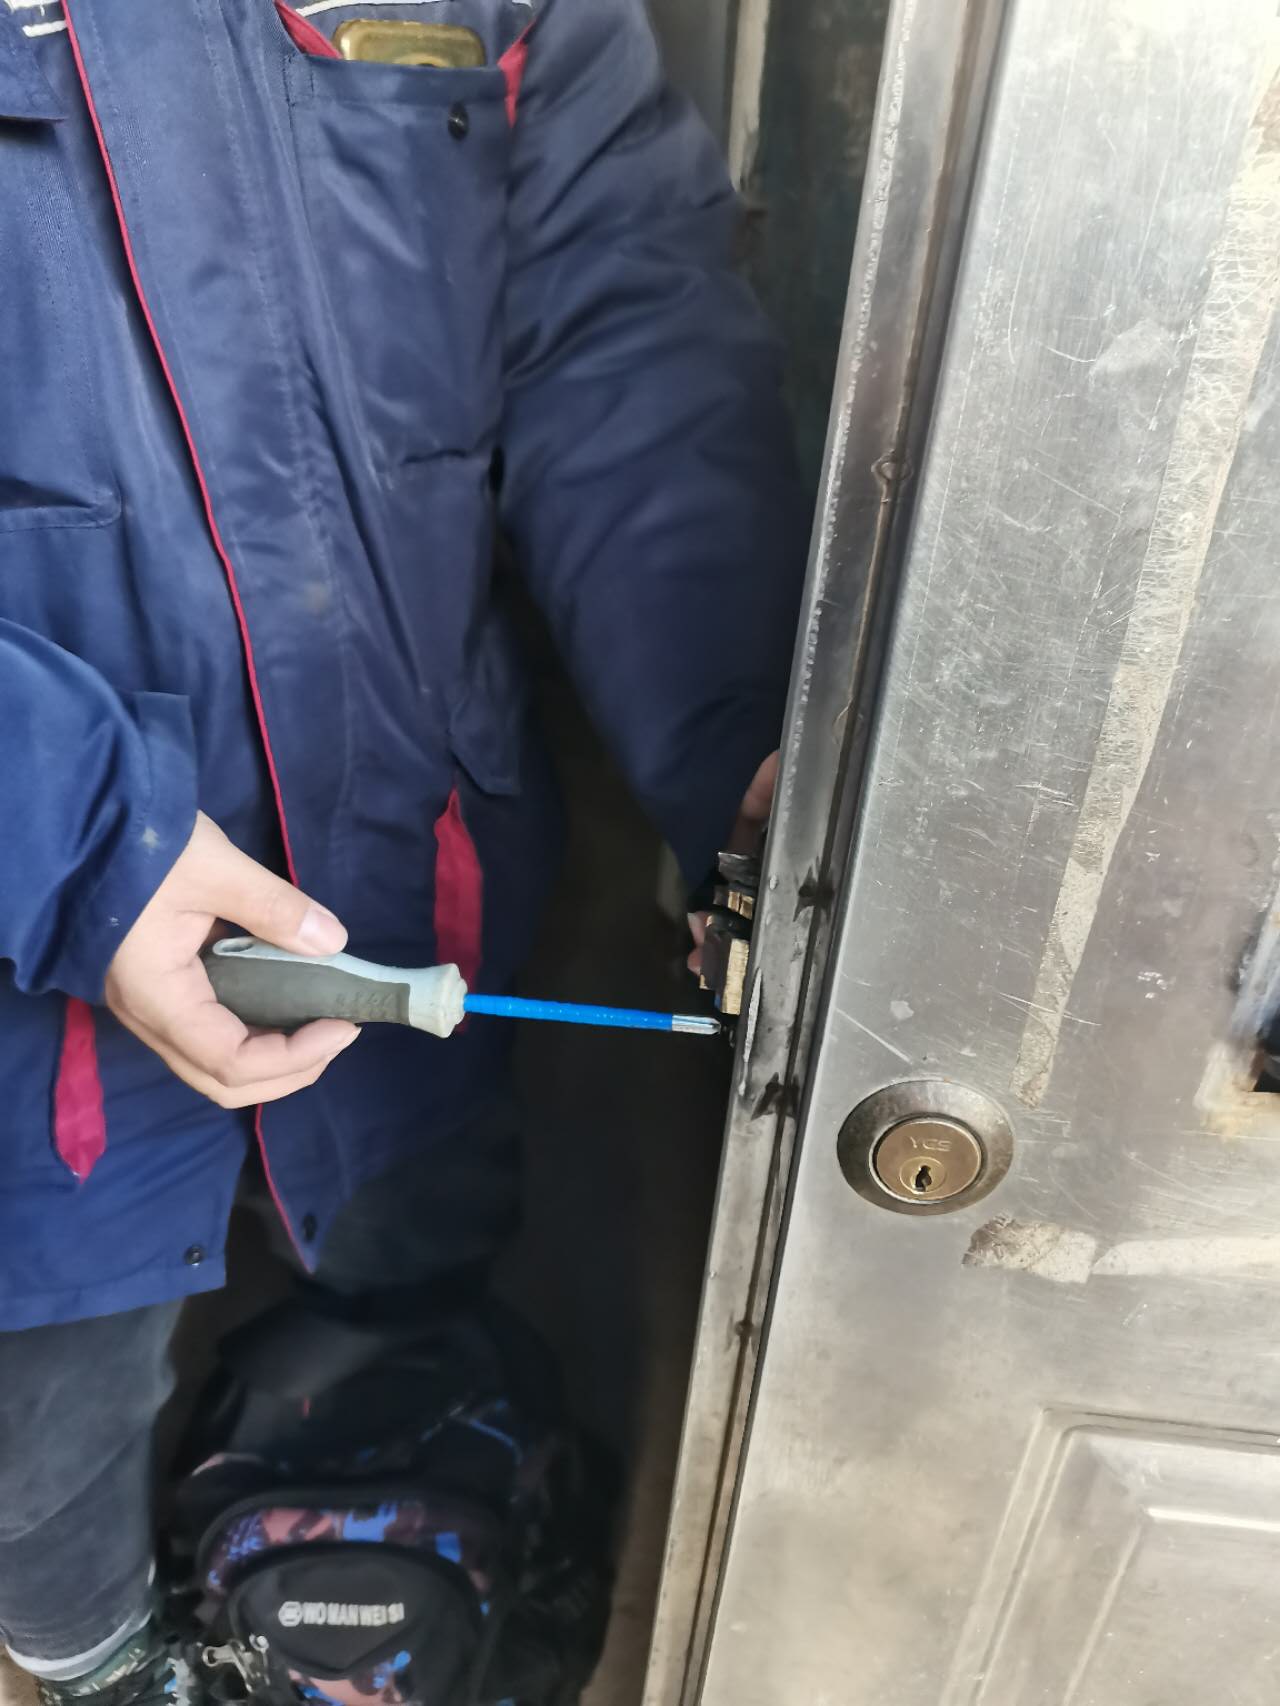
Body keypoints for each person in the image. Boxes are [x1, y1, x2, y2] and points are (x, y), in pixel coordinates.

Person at [0, 0, 807, 1700]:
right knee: (42, 1416)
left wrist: (739, 739)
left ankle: (391, 1462)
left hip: (403, 859)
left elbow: (610, 309)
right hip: (30, 989)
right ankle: (96, 1658)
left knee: (405, 1219)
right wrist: (62, 830)